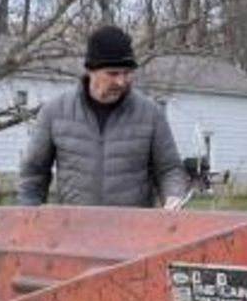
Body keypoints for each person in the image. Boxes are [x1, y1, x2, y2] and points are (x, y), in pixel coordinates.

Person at [16, 25, 190, 210]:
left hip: (134, 232)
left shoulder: (151, 114)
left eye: (127, 73)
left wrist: (173, 196)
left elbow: (170, 170)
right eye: (113, 73)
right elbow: (33, 174)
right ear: (91, 71)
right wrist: (29, 218)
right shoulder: (54, 113)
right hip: (75, 230)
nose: (121, 81)